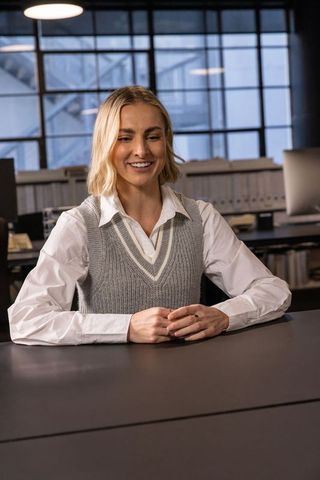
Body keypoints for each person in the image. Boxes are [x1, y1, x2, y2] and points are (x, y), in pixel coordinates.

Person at [8, 85, 291, 346]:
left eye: (152, 136)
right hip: (105, 387)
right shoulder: (79, 224)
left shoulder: (201, 217)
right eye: (124, 138)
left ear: (166, 143)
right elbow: (26, 319)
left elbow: (274, 291)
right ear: (105, 145)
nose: (141, 150)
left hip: (189, 380)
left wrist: (224, 316)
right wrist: (127, 327)